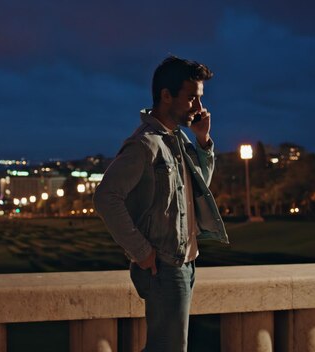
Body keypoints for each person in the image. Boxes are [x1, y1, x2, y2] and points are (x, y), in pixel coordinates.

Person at [93, 56, 229, 351]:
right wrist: (141, 252)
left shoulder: (177, 139)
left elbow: (198, 187)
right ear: (166, 96)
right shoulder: (145, 144)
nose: (199, 107)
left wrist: (203, 140)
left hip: (184, 263)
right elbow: (106, 197)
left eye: (200, 98)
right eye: (192, 97)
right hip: (164, 266)